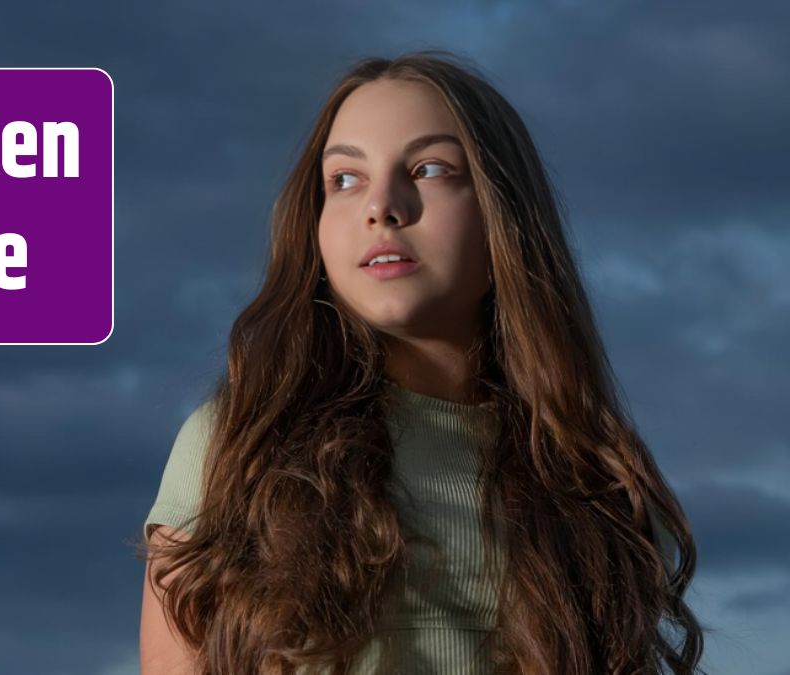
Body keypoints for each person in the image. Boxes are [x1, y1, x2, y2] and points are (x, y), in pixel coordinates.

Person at [137, 50, 704, 675]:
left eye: (430, 169)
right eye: (344, 180)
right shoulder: (238, 445)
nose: (382, 206)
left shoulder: (594, 481)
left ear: (504, 216)